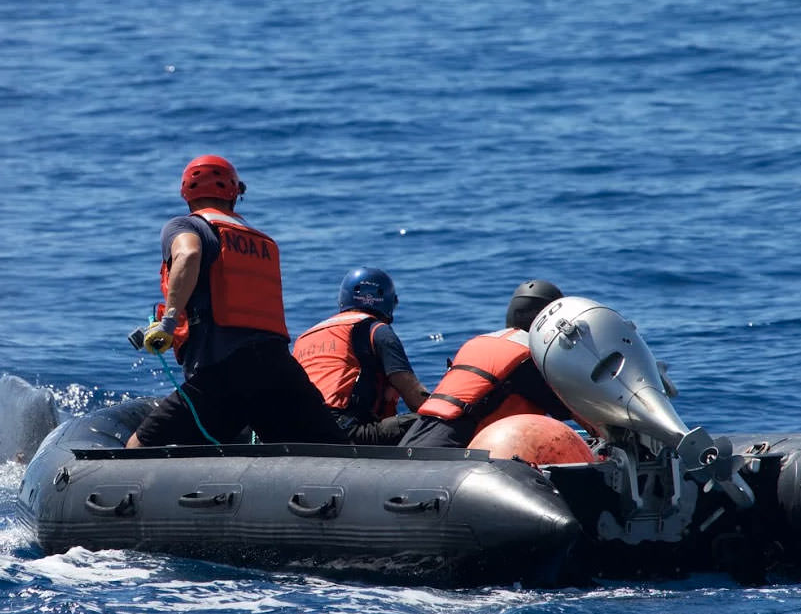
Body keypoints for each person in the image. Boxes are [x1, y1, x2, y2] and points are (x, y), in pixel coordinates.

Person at [126, 155, 348, 448]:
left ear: (186, 193)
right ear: (235, 193)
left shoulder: (185, 226)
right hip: (278, 368)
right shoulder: (263, 242)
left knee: (138, 448)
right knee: (332, 451)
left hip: (223, 375)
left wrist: (168, 322)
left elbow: (188, 255)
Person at [398, 279, 577, 449]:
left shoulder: (478, 343)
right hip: (455, 451)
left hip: (415, 440)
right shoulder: (528, 360)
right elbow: (567, 410)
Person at [293, 267, 430, 445]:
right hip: (346, 433)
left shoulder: (305, 337)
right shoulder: (378, 330)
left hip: (296, 431)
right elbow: (415, 397)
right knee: (436, 420)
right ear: (388, 302)